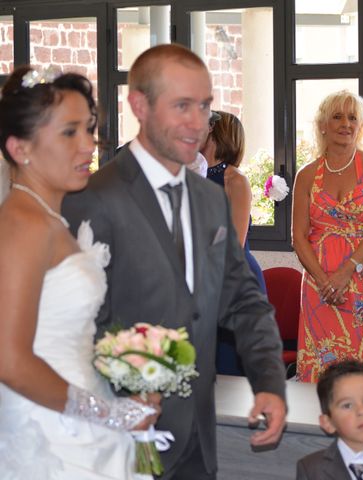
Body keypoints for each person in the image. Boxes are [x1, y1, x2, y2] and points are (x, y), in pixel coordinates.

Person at [62, 43, 287, 479]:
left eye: (204, 107)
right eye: (181, 105)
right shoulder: (92, 198)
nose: (197, 122)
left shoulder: (210, 198)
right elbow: (76, 322)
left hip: (199, 437)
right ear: (139, 105)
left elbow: (242, 299)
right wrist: (126, 397)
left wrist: (270, 382)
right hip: (121, 435)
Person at [0, 66, 157, 478]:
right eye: (70, 132)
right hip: (48, 428)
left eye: (89, 129)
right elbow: (10, 361)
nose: (89, 145)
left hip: (80, 406)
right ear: (21, 148)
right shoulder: (23, 224)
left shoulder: (48, 217)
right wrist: (109, 413)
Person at [292, 90, 363, 388]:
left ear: (361, 125)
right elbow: (298, 237)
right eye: (338, 116)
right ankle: (315, 432)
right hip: (319, 281)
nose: (346, 124)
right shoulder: (307, 175)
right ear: (323, 124)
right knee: (323, 367)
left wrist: (345, 271)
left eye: (353, 118)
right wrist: (325, 280)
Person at [201, 110, 265, 375]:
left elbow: (235, 242)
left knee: (231, 369)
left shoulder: (235, 181)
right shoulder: (187, 173)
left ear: (216, 132)